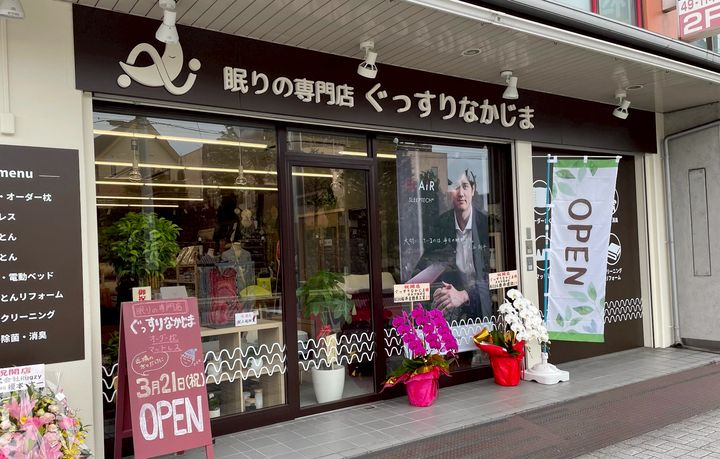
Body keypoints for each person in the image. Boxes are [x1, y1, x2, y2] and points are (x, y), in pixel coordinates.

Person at [417, 168, 492, 322]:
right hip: (452, 308)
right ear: (449, 193)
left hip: (486, 305)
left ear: (473, 190)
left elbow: (496, 276)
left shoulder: (486, 225)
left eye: (465, 186)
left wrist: (465, 295)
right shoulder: (441, 224)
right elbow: (426, 262)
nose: (461, 193)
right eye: (455, 187)